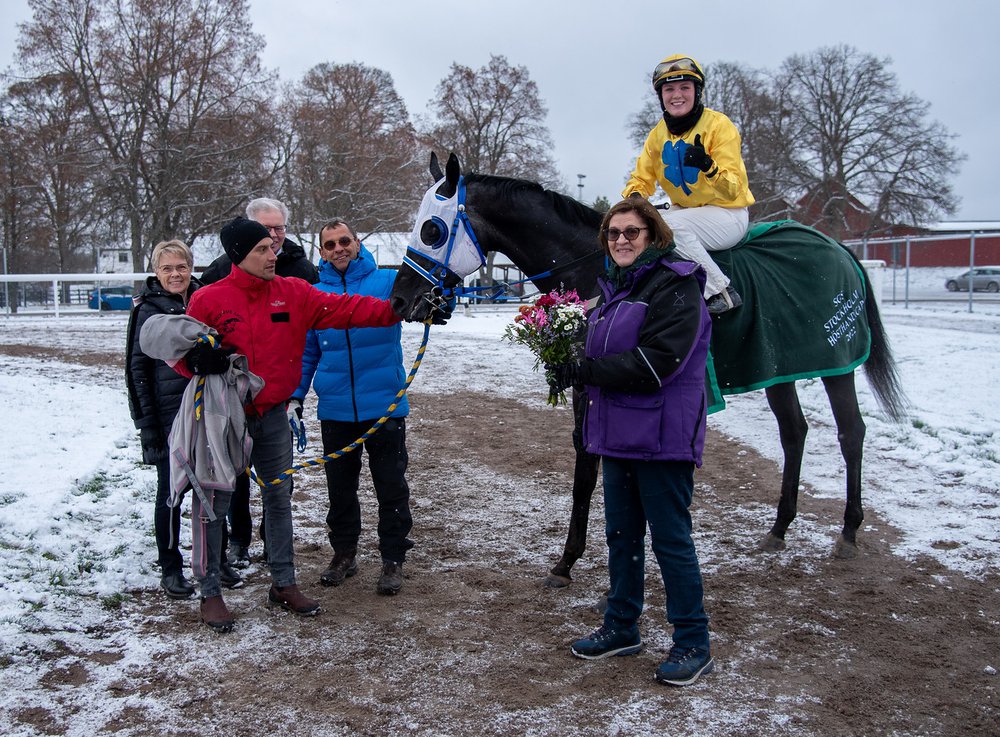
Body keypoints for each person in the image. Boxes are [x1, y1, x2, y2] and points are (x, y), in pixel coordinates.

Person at [174, 216, 442, 632]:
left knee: (279, 500)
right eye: (262, 249)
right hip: (224, 419)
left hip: (274, 417)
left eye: (272, 246)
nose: (272, 254)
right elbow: (180, 349)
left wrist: (400, 308)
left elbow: (350, 308)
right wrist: (191, 362)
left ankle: (284, 582)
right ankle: (210, 592)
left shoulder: (294, 292)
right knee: (215, 503)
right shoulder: (208, 299)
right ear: (239, 255)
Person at [547, 197, 715, 686]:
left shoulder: (677, 285)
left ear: (653, 236)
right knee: (621, 537)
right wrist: (564, 353)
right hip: (618, 436)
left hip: (661, 438)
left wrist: (585, 369)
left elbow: (658, 359)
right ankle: (622, 626)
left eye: (631, 232)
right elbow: (603, 351)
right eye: (614, 233)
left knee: (670, 541)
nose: (621, 240)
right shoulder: (616, 291)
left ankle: (692, 640)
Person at [291, 219, 413, 596]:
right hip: (336, 409)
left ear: (357, 243)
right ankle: (344, 553)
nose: (338, 248)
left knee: (390, 487)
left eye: (344, 241)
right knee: (340, 490)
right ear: (322, 252)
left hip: (384, 406)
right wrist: (296, 395)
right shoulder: (314, 294)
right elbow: (308, 352)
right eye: (330, 244)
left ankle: (393, 558)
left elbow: (427, 300)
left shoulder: (388, 282)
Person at [200, 198, 318, 569]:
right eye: (265, 232)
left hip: (278, 403)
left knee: (278, 489)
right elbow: (189, 343)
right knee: (228, 486)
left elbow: (328, 316)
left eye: (279, 229)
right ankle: (235, 543)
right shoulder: (216, 278)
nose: (274, 238)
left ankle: (280, 563)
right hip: (229, 408)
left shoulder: (300, 272)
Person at [125, 240, 244, 600]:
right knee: (171, 494)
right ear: (157, 272)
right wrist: (147, 426)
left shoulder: (204, 301)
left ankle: (216, 558)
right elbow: (137, 370)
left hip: (208, 411)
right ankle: (171, 565)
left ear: (191, 267)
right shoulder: (147, 310)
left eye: (181, 267)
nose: (175, 274)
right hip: (169, 418)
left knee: (215, 489)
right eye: (167, 268)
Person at [623, 54, 755, 315]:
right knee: (640, 227)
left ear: (698, 91)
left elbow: (734, 189)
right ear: (661, 96)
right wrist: (636, 195)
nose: (677, 95)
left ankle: (720, 291)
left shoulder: (719, 125)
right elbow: (640, 178)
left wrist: (709, 167)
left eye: (685, 87)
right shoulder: (657, 135)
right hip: (687, 212)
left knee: (668, 226)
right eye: (669, 89)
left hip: (728, 214)